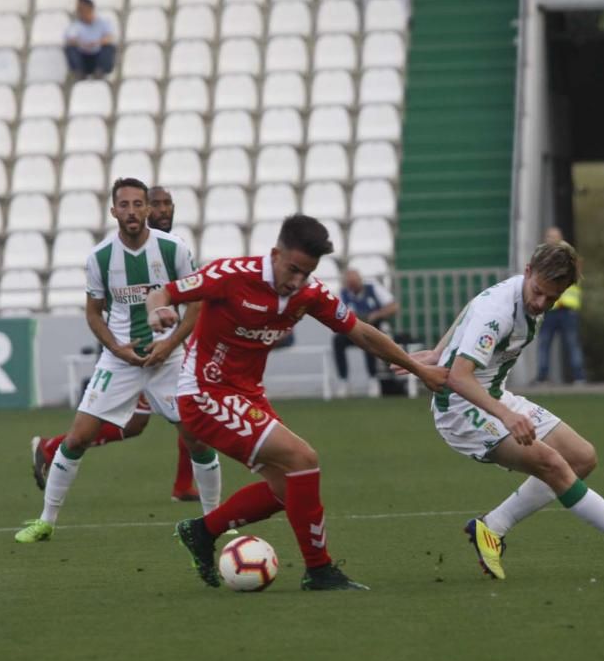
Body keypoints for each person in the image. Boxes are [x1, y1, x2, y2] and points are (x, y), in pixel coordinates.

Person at [145, 214, 448, 591]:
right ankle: (319, 570)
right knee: (304, 459)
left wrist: (418, 369)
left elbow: (362, 333)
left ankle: (202, 532)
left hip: (248, 394)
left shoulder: (310, 293)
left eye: (306, 272)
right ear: (275, 253)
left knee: (289, 489)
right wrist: (158, 311)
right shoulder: (231, 275)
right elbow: (163, 294)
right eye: (292, 269)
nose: (296, 281)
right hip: (205, 392)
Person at [405, 241, 604, 580]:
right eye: (537, 292)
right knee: (552, 464)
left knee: (581, 457)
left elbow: (469, 310)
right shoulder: (499, 311)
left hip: (493, 395)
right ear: (527, 272)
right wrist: (505, 415)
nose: (541, 303)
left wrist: (437, 351)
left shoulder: (523, 297)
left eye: (552, 298)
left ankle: (492, 526)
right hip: (461, 407)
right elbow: (460, 377)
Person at [14, 178, 223, 543]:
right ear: (114, 211)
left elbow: (196, 303)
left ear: (147, 209)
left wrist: (171, 343)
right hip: (120, 361)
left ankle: (215, 522)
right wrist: (116, 349)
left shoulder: (174, 249)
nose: (131, 211)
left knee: (198, 439)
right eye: (123, 205)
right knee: (78, 437)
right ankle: (45, 520)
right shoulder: (100, 257)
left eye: (138, 204)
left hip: (168, 359)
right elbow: (94, 313)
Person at [332, 268, 398, 397]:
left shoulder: (373, 288)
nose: (352, 287)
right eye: (349, 284)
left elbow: (393, 306)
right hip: (352, 330)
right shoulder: (343, 293)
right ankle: (343, 380)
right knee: (337, 341)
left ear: (360, 280)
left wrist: (377, 314)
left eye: (354, 283)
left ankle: (373, 379)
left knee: (369, 340)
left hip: (375, 328)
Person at [535, 227, 586, 384]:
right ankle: (542, 377)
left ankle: (579, 377)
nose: (552, 239)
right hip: (550, 308)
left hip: (568, 309)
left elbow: (577, 275)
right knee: (544, 343)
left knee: (572, 343)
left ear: (561, 238)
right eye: (549, 236)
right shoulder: (542, 258)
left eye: (555, 236)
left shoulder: (570, 257)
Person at [63, 0, 117, 79]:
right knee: (70, 49)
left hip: (98, 56)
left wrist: (97, 42)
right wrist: (83, 44)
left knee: (108, 48)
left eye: (81, 9)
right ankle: (80, 73)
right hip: (84, 57)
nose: (80, 11)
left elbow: (110, 38)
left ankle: (100, 72)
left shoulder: (103, 22)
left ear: (90, 8)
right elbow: (70, 39)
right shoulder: (75, 25)